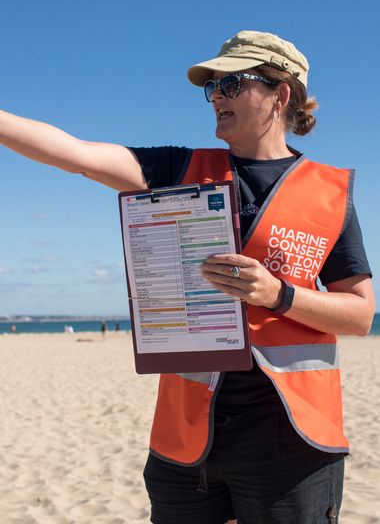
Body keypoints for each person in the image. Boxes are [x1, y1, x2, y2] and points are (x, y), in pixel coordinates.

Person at [0, 30, 375, 524]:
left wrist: (278, 295)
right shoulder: (182, 168)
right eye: (213, 86)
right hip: (186, 441)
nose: (216, 94)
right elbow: (78, 155)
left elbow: (360, 314)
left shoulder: (329, 194)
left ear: (281, 94)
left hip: (292, 443)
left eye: (233, 82)